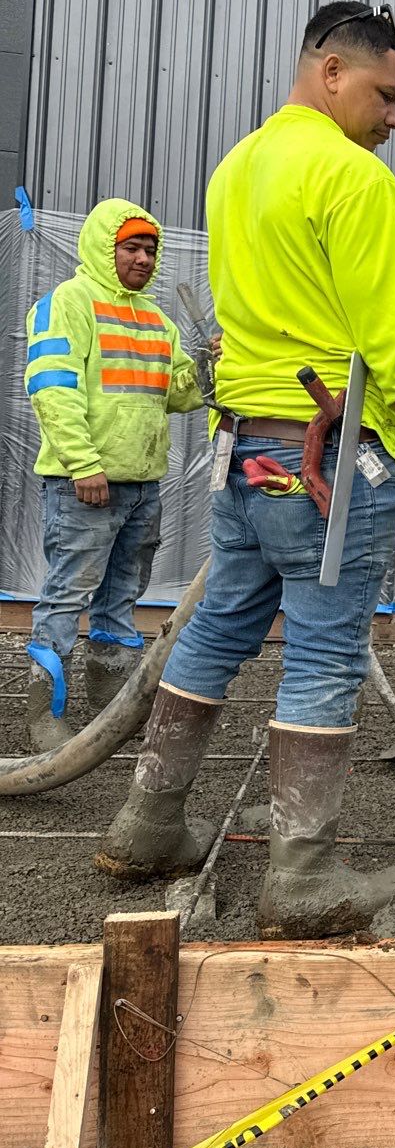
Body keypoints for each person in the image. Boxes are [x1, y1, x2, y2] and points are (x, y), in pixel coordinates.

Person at [96, 1, 395, 937]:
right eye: (386, 93)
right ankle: (300, 878)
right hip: (331, 459)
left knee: (216, 631)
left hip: (248, 449)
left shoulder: (237, 168)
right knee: (328, 647)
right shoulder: (353, 178)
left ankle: (147, 825)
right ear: (330, 72)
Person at [22, 202, 206, 753]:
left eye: (151, 250)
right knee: (67, 595)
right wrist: (84, 465)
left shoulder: (157, 319)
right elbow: (53, 391)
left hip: (142, 485)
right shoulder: (67, 304)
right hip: (87, 484)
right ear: (107, 248)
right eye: (132, 248)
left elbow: (178, 395)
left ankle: (107, 715)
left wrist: (205, 366)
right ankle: (45, 721)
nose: (144, 259)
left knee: (122, 595)